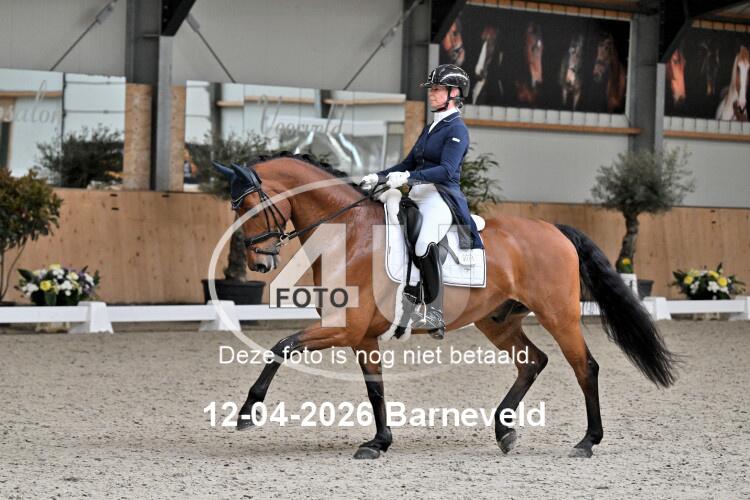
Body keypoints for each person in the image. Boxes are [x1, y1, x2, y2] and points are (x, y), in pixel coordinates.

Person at [361, 64, 483, 339]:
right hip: (417, 195)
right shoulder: (431, 127)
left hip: (440, 197)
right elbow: (408, 163)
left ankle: (436, 311)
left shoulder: (457, 129)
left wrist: (408, 177)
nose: (432, 94)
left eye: (437, 89)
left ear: (454, 93)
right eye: (432, 89)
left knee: (423, 242)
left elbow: (447, 171)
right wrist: (380, 175)